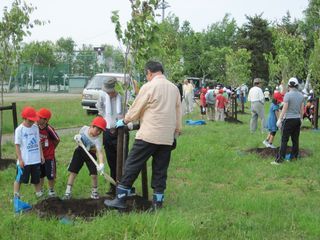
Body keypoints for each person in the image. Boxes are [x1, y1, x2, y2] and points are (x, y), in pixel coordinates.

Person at [104, 60, 182, 210]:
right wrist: (176, 131)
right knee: (160, 169)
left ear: (149, 72)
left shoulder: (149, 86)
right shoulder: (174, 88)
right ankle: (157, 204)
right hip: (166, 137)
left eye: (146, 75)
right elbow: (178, 111)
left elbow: (136, 107)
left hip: (149, 134)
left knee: (132, 164)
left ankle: (120, 199)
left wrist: (125, 120)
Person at [63, 116, 107, 199]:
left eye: (100, 131)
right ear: (92, 126)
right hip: (79, 152)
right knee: (73, 172)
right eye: (97, 130)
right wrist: (77, 138)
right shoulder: (84, 129)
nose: (98, 133)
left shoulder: (97, 140)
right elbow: (78, 139)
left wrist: (101, 164)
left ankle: (94, 192)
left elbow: (100, 153)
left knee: (94, 174)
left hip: (91, 155)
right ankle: (67, 192)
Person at [96, 77, 123, 196]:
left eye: (109, 90)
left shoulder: (120, 97)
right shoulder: (102, 97)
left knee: (121, 160)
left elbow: (126, 112)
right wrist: (104, 118)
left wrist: (121, 121)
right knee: (111, 161)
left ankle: (122, 186)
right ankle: (113, 187)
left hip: (120, 132)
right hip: (107, 131)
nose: (108, 93)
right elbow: (99, 108)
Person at [271, 77, 304, 165]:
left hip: (288, 120)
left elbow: (284, 108)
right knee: (295, 140)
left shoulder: (288, 95)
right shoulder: (301, 95)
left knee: (284, 140)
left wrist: (279, 119)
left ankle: (279, 160)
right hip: (297, 120)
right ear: (297, 85)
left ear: (289, 85)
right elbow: (302, 109)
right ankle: (294, 157)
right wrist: (301, 119)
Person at [13, 106, 44, 200]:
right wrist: (20, 159)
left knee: (36, 179)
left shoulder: (35, 128)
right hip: (25, 161)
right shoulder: (19, 130)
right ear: (24, 118)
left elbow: (38, 142)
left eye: (33, 121)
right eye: (30, 121)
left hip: (35, 159)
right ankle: (16, 195)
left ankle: (39, 193)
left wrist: (41, 155)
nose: (32, 123)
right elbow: (17, 145)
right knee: (20, 179)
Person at [37, 108, 60, 197]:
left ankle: (51, 190)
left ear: (45, 120)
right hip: (39, 156)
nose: (37, 118)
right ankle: (41, 189)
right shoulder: (36, 128)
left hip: (49, 156)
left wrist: (52, 148)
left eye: (39, 117)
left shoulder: (49, 129)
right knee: (41, 174)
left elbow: (57, 139)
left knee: (50, 174)